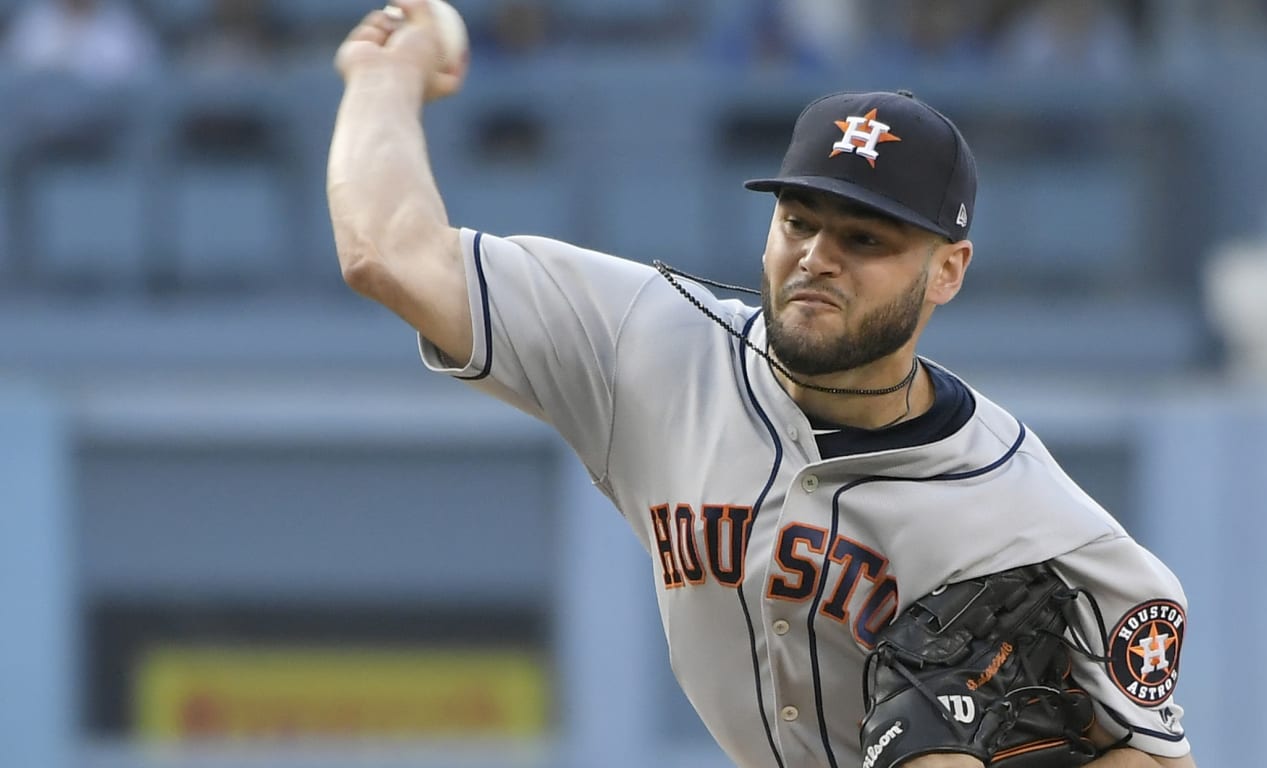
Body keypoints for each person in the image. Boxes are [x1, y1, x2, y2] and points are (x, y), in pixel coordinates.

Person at [326, 2, 1196, 766]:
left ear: (948, 272)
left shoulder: (1032, 521)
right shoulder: (651, 345)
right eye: (798, 221)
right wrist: (382, 74)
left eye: (866, 240)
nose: (817, 257)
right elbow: (388, 254)